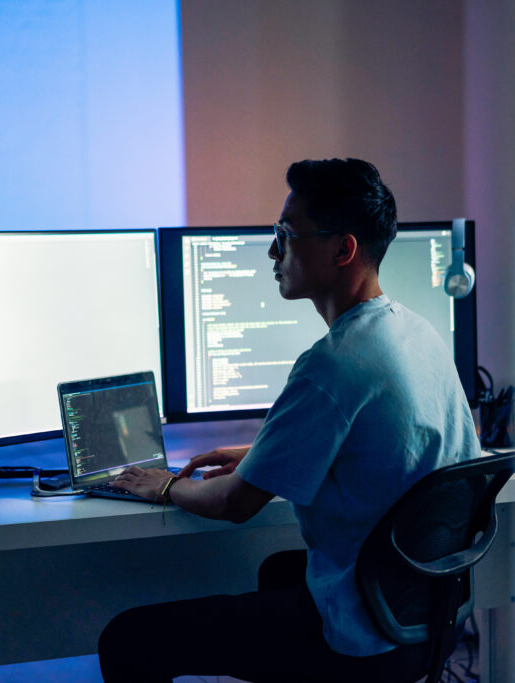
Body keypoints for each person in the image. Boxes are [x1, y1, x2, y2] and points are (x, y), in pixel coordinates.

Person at [98, 158, 480, 682]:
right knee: (277, 571)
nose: (273, 251)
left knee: (128, 639)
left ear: (343, 250)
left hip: (365, 635)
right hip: (426, 617)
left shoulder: (333, 363)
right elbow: (383, 444)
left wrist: (164, 486)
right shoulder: (416, 332)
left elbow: (234, 504)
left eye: (285, 234)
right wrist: (261, 455)